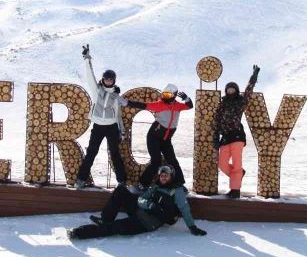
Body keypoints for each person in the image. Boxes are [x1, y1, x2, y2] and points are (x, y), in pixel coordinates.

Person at [68, 165, 207, 239]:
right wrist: (147, 204)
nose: (163, 178)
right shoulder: (156, 186)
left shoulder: (177, 191)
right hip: (140, 211)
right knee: (121, 190)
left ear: (171, 177)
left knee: (115, 228)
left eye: (166, 176)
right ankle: (106, 218)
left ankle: (80, 233)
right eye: (162, 175)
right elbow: (142, 198)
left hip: (147, 223)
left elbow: (184, 209)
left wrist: (192, 227)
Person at [75, 44, 128, 189]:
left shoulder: (115, 96)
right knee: (91, 152)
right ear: (103, 79)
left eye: (111, 80)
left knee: (115, 154)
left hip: (111, 127)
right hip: (98, 127)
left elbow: (118, 115)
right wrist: (86, 59)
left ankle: (122, 180)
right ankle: (81, 179)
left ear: (114, 80)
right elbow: (90, 75)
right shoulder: (96, 90)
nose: (108, 81)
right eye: (106, 79)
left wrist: (121, 131)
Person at [125, 83, 193, 188]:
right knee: (156, 161)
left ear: (174, 96)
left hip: (166, 140)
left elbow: (189, 106)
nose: (165, 97)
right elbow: (142, 105)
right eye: (164, 95)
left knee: (172, 161)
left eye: (168, 95)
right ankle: (143, 183)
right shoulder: (159, 104)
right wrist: (126, 102)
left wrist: (187, 98)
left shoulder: (178, 106)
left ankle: (179, 183)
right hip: (154, 137)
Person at [213, 65, 260, 198]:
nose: (231, 90)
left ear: (236, 90)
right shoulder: (222, 105)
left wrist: (254, 77)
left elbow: (249, 91)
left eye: (233, 88)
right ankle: (238, 175)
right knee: (222, 164)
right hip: (225, 138)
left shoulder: (240, 102)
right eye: (229, 88)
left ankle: (235, 191)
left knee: (237, 164)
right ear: (226, 90)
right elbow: (217, 122)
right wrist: (215, 138)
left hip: (237, 136)